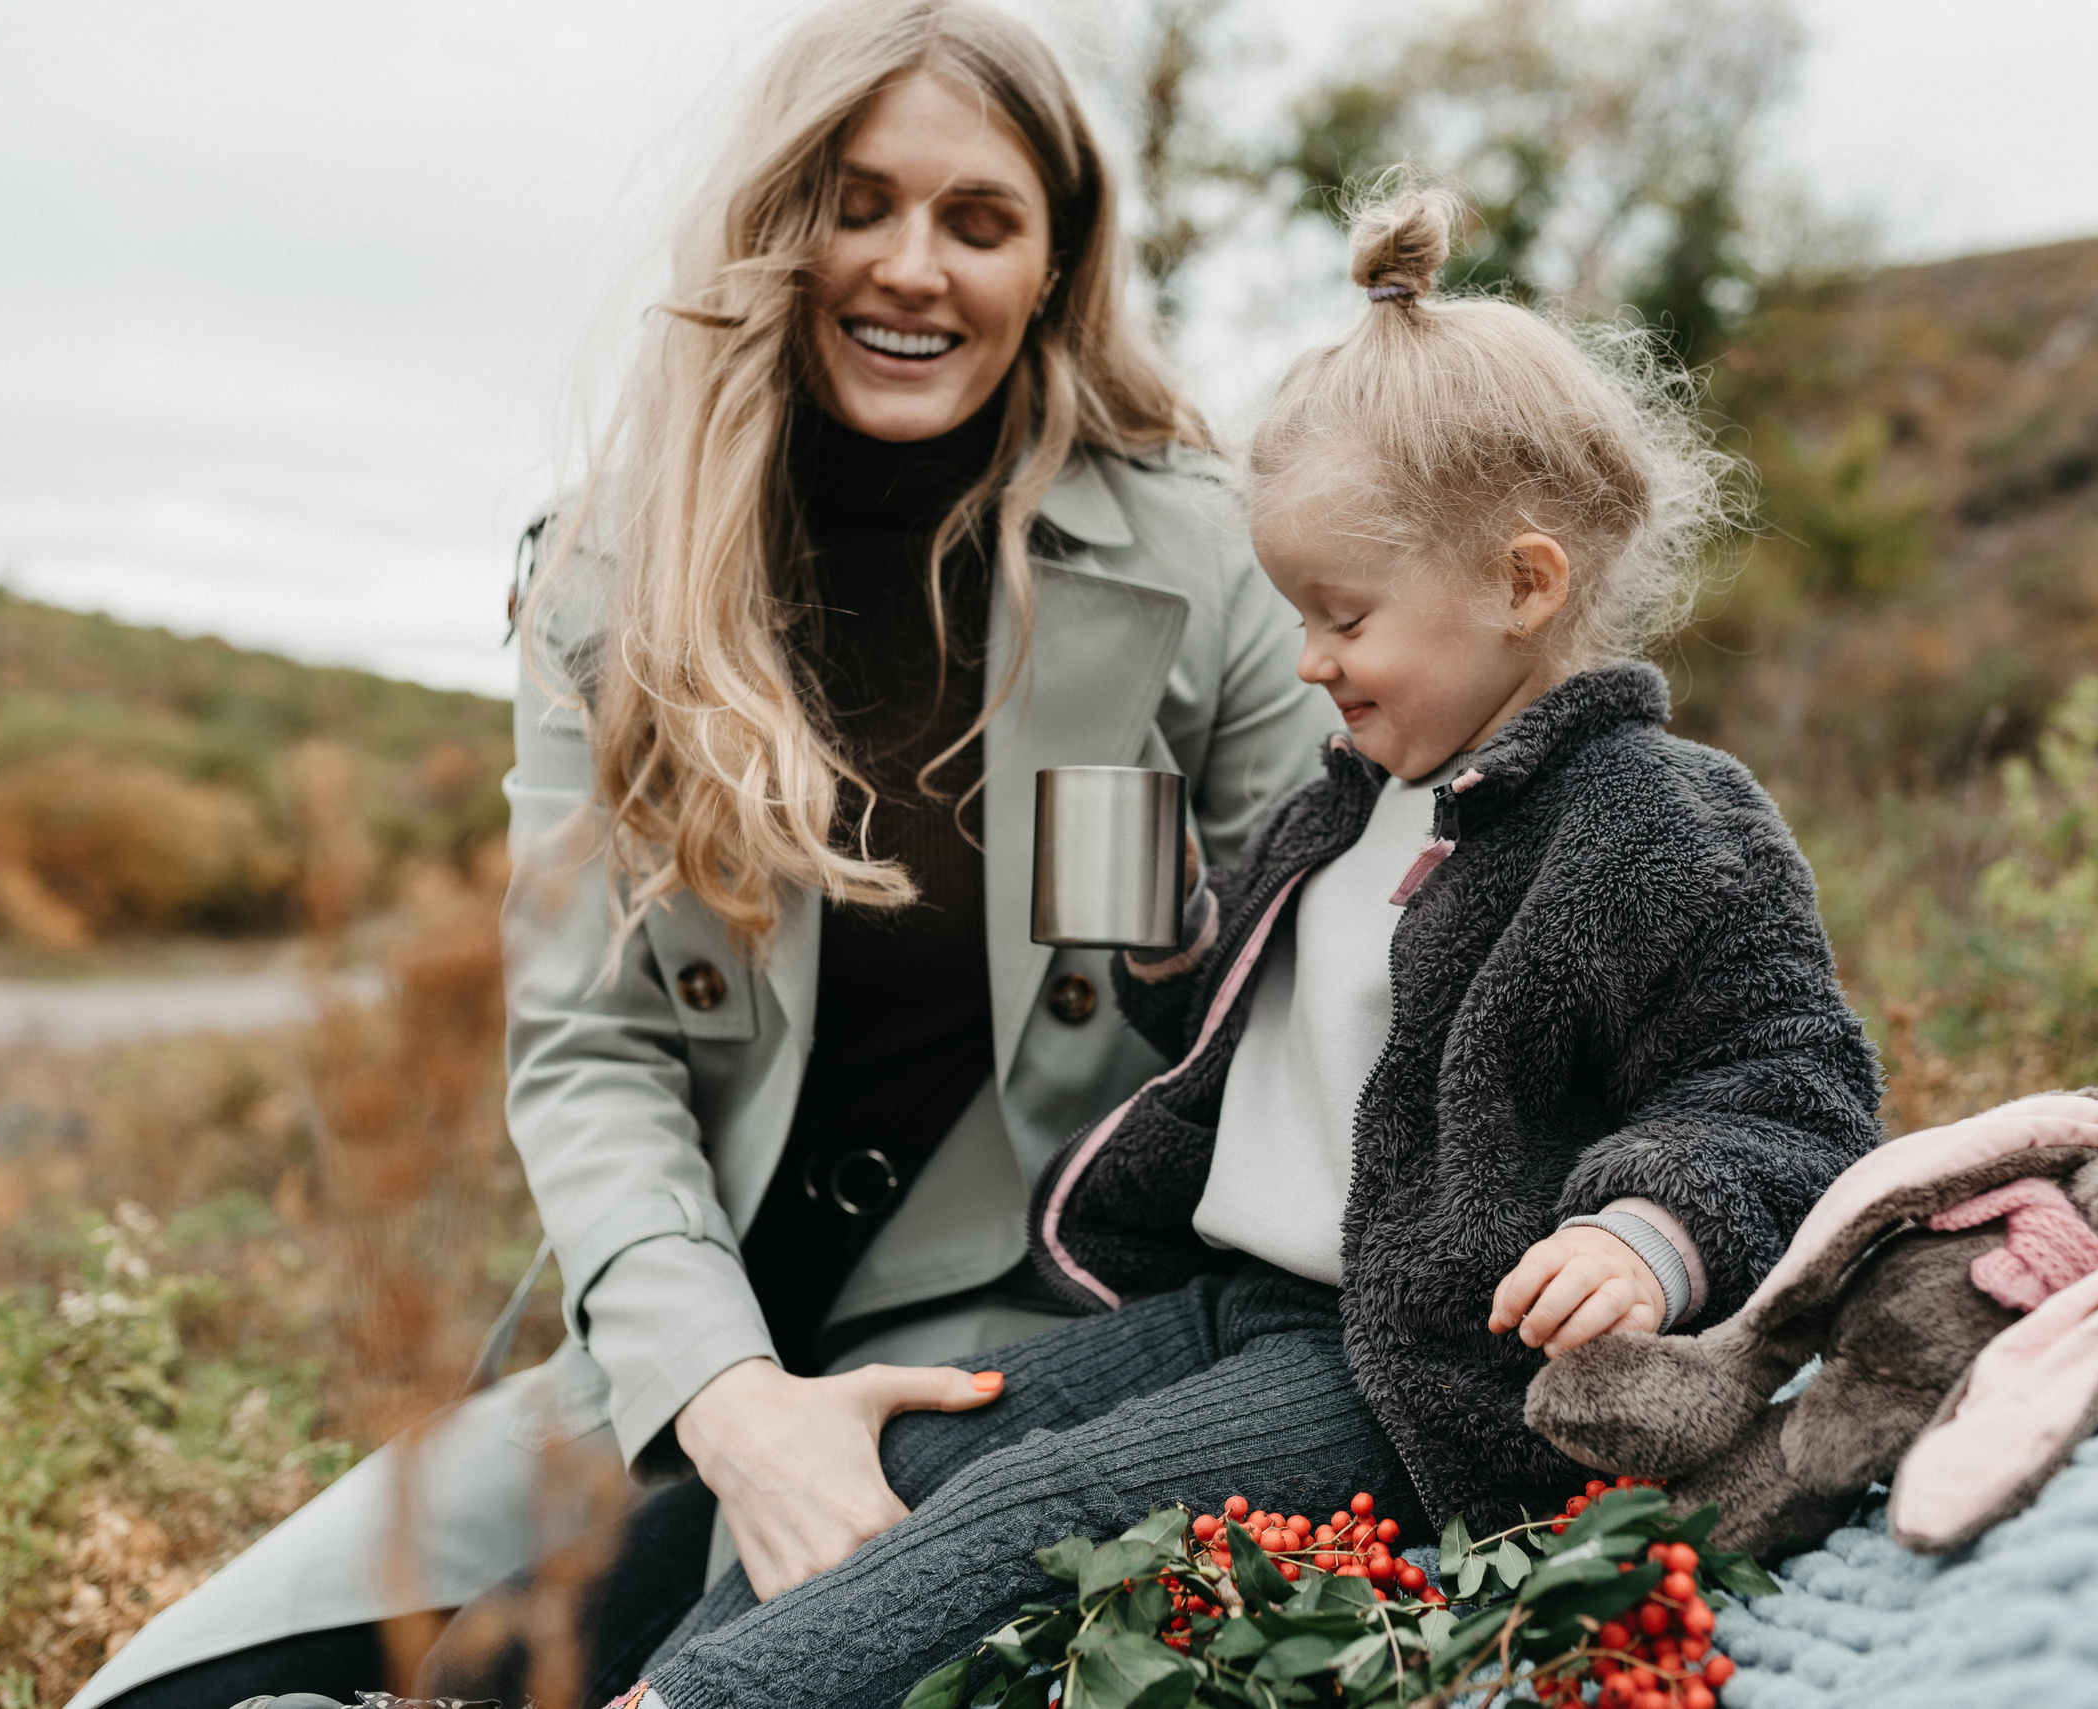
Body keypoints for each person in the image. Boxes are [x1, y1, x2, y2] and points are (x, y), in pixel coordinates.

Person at [67, 4, 1334, 1706]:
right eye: (857, 202)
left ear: (1056, 263)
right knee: (145, 1696)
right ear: (776, 222)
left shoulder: (1212, 565)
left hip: (1017, 1363)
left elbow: (1319, 1013)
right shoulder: (607, 571)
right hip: (672, 1355)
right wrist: (724, 1394)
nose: (911, 268)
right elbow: (590, 1047)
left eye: (978, 221)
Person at [620, 186, 1884, 1709]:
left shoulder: (1656, 818)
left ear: (1523, 584)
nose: (1306, 658)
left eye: (1342, 614)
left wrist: (1640, 1236)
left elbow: (1790, 1090)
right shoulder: (1352, 804)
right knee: (910, 1448)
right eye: (1293, 610)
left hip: (1409, 1366)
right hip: (1232, 1299)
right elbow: (1283, 1042)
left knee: (1058, 1519)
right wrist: (1178, 943)